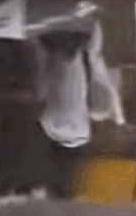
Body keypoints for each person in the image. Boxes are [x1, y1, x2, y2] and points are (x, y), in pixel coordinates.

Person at [27, 21, 125, 199]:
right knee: (63, 185)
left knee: (44, 181)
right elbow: (104, 82)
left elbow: (40, 90)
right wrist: (118, 116)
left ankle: (45, 199)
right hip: (75, 132)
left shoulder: (51, 58)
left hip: (50, 128)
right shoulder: (88, 58)